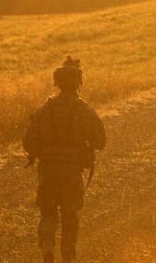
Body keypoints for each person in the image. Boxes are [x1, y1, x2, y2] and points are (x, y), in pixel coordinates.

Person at [23, 57, 106, 263]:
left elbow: (27, 141)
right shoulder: (84, 111)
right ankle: (68, 255)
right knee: (70, 216)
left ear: (57, 83)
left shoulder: (45, 110)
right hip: (71, 171)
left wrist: (42, 152)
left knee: (48, 212)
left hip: (48, 170)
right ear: (78, 84)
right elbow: (100, 141)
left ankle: (47, 246)